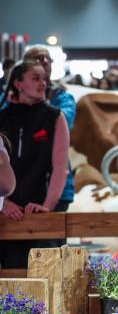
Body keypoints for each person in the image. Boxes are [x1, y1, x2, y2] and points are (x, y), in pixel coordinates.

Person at [0, 62, 70, 268]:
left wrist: (47, 206)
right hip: (6, 214)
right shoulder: (2, 118)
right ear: (18, 83)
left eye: (44, 79)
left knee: (42, 274)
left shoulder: (55, 117)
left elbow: (60, 167)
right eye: (35, 78)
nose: (43, 83)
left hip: (38, 211)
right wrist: (3, 203)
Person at [18, 45, 76, 209]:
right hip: (16, 188)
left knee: (53, 234)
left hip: (55, 188)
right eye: (37, 58)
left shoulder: (63, 98)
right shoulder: (7, 99)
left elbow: (61, 124)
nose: (43, 61)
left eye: (47, 59)